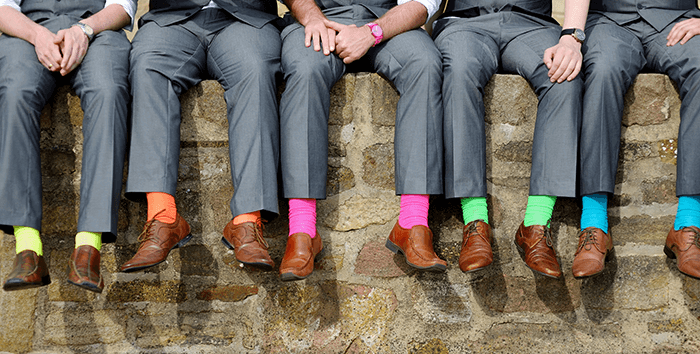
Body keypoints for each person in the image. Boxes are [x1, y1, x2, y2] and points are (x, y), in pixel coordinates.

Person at [278, 0, 446, 281]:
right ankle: (302, 231)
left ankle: (413, 223)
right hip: (322, 20)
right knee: (305, 71)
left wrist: (372, 32)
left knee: (425, 64)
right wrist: (313, 17)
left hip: (390, 25)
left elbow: (422, 4)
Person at [119, 0, 281, 274]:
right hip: (171, 18)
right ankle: (163, 216)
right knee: (148, 65)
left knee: (255, 69)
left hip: (247, 18)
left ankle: (247, 222)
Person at [434, 0, 589, 278]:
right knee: (457, 72)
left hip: (531, 23)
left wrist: (571, 35)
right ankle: (475, 221)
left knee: (565, 77)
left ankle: (536, 225)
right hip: (464, 23)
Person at [0, 0, 135, 293]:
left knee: (109, 92)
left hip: (98, 31)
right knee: (14, 93)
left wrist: (83, 30)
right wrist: (37, 35)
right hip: (27, 31)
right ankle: (28, 249)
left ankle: (88, 247)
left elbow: (123, 7)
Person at [573, 0, 700, 279]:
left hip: (676, 18)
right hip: (609, 20)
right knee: (602, 72)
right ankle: (594, 225)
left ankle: (688, 223)